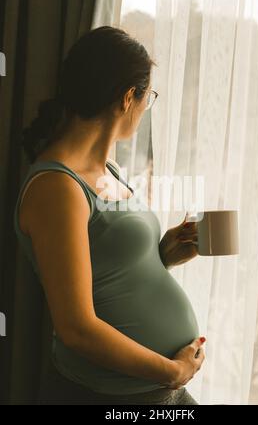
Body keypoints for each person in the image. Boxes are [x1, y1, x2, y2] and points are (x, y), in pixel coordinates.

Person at [14, 26, 205, 405]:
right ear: (126, 98)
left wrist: (164, 252)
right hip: (105, 396)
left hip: (151, 392)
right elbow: (76, 328)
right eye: (147, 97)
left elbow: (105, 271)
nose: (145, 107)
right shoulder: (58, 187)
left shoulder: (109, 170)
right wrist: (171, 371)